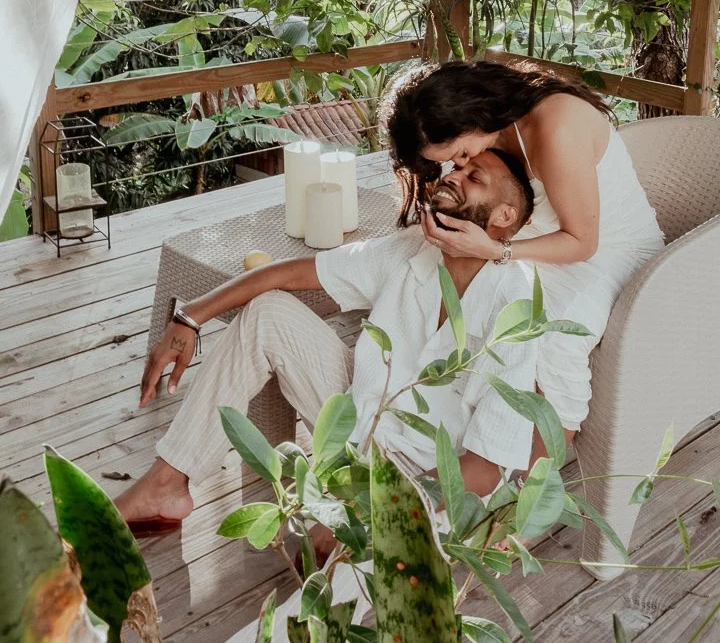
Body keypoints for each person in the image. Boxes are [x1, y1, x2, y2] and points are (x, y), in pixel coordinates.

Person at [115, 148, 542, 536]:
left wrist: (371, 506)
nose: (454, 174)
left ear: (503, 216)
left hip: (432, 486)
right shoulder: (410, 249)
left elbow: (484, 467)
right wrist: (189, 317)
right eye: (457, 167)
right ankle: (167, 482)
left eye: (474, 178)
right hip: (359, 424)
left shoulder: (515, 304)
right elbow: (285, 274)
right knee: (270, 311)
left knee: (327, 573)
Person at [380, 59, 665, 440]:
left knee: (550, 334)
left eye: (461, 152)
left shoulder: (555, 128)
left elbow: (583, 242)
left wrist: (496, 249)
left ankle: (543, 456)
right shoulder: (494, 122)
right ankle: (463, 419)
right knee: (438, 271)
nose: (460, 163)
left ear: (472, 117)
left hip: (610, 253)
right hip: (540, 236)